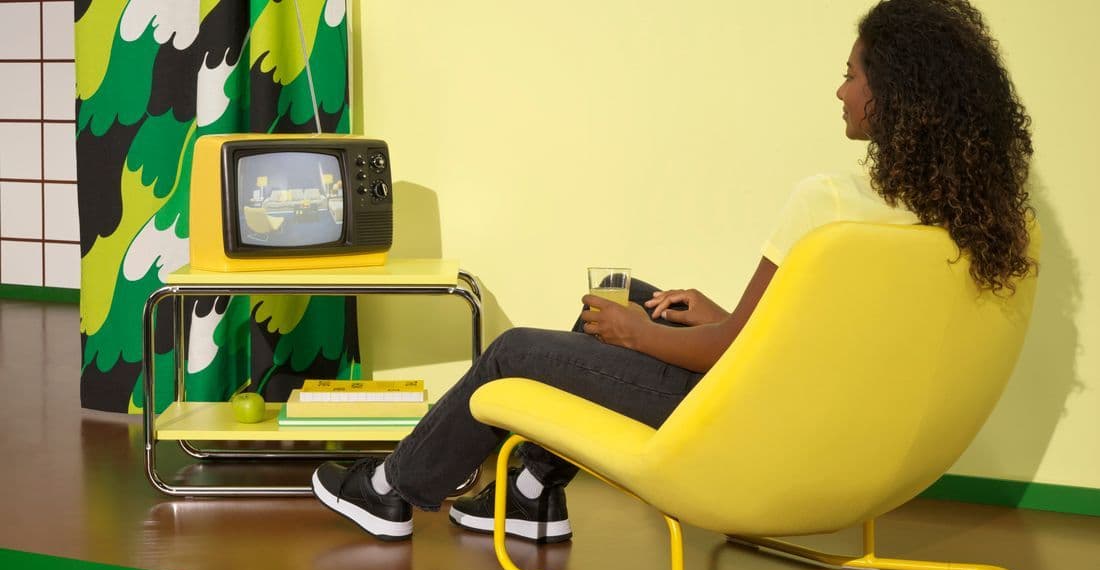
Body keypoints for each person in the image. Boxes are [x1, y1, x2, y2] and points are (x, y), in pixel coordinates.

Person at [310, 0, 1035, 542]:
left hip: (734, 424)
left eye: (850, 75)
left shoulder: (829, 203)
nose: (840, 91)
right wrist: (694, 314)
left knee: (515, 352)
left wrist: (631, 333)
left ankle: (389, 487)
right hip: (814, 421)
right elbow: (800, 340)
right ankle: (532, 487)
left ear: (892, 96)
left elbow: (726, 354)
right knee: (641, 296)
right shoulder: (949, 223)